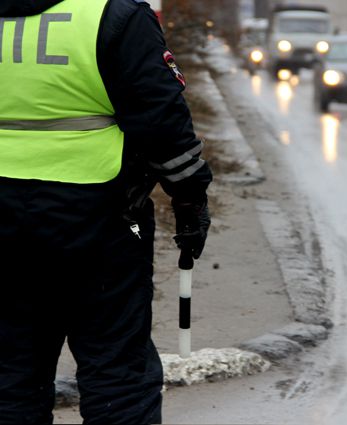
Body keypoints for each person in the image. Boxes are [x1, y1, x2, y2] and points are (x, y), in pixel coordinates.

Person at [0, 0, 212, 423]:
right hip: (99, 220)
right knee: (117, 368)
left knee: (10, 372)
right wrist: (189, 197)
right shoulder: (113, 15)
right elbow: (161, 118)